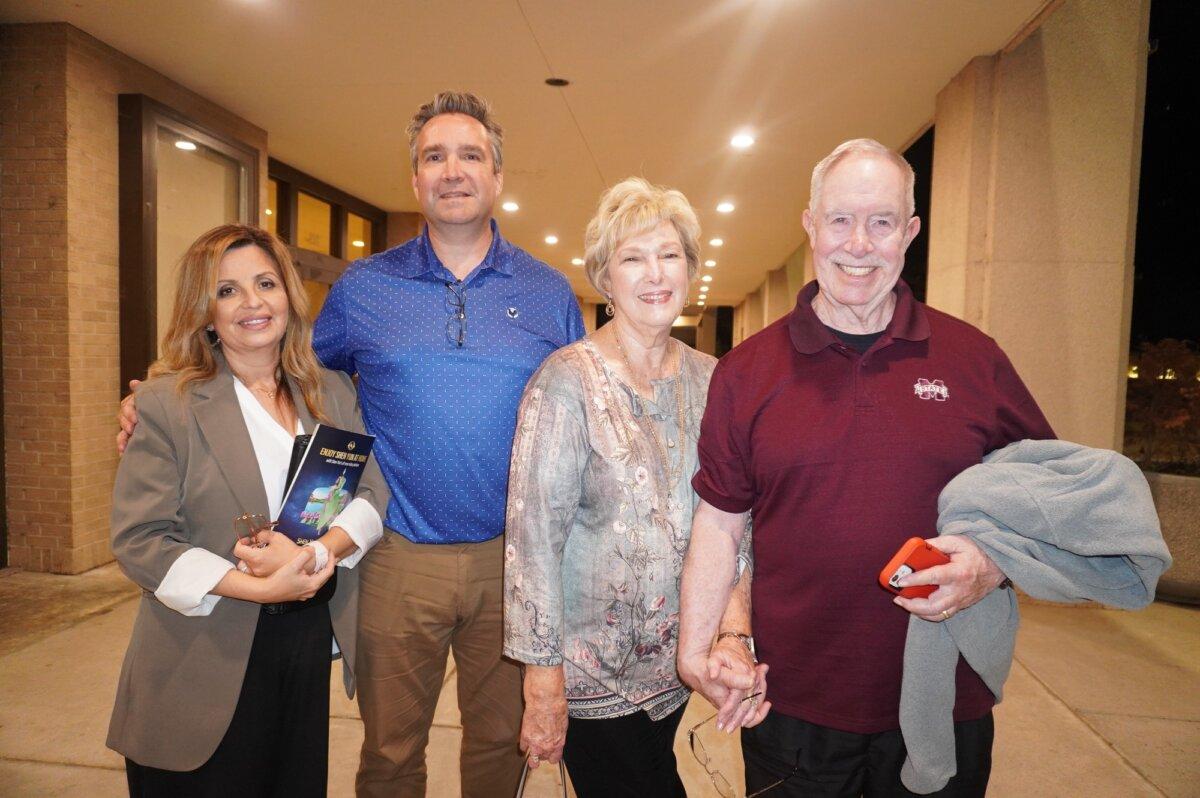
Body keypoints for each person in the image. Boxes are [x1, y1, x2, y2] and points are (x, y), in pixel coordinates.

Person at [117, 93, 584, 797]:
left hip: (510, 561)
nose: (452, 171)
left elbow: (584, 410)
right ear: (415, 179)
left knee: (497, 745)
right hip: (395, 554)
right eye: (434, 156)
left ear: (497, 176)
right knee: (391, 749)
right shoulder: (365, 288)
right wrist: (157, 390)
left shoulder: (549, 293)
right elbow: (287, 362)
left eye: (470, 155)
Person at [678, 138, 1055, 797]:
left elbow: (1046, 502)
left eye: (881, 222)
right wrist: (695, 650)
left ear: (909, 232)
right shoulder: (748, 371)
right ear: (811, 224)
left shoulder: (973, 359)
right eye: (840, 220)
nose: (858, 244)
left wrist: (992, 566)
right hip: (791, 703)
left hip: (942, 703)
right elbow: (720, 522)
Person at [504, 178, 767, 797]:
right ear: (605, 277)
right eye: (633, 257)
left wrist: (733, 632)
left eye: (669, 254)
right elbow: (532, 539)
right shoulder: (564, 381)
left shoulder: (715, 380)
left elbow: (737, 522)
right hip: (591, 673)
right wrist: (543, 684)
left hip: (681, 665)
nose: (655, 273)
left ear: (690, 269)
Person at [107, 224, 389, 797]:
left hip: (304, 646)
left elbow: (370, 494)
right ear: (205, 312)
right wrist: (262, 587)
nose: (253, 302)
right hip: (202, 651)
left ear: (289, 294)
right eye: (228, 290)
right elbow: (142, 540)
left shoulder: (330, 390)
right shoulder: (167, 403)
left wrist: (316, 552)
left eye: (265, 282)